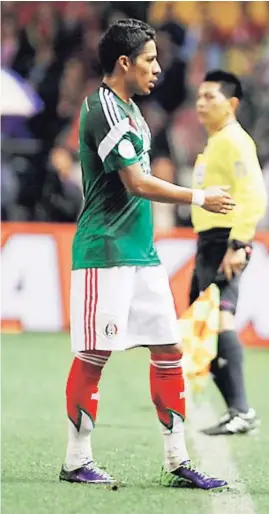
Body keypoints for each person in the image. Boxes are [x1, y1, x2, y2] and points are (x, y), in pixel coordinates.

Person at [60, 19, 235, 488]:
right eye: (150, 60)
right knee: (94, 355)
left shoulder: (132, 110)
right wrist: (199, 198)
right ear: (124, 63)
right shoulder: (104, 110)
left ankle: (178, 459)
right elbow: (135, 182)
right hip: (105, 252)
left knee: (169, 349)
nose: (158, 68)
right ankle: (76, 460)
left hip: (141, 253)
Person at [189, 70, 268, 436]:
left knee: (219, 322)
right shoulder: (217, 141)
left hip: (225, 241)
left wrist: (239, 243)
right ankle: (238, 409)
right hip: (210, 242)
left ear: (232, 104)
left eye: (211, 97)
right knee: (203, 326)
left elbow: (253, 193)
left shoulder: (235, 141)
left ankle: (241, 410)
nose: (202, 103)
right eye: (200, 96)